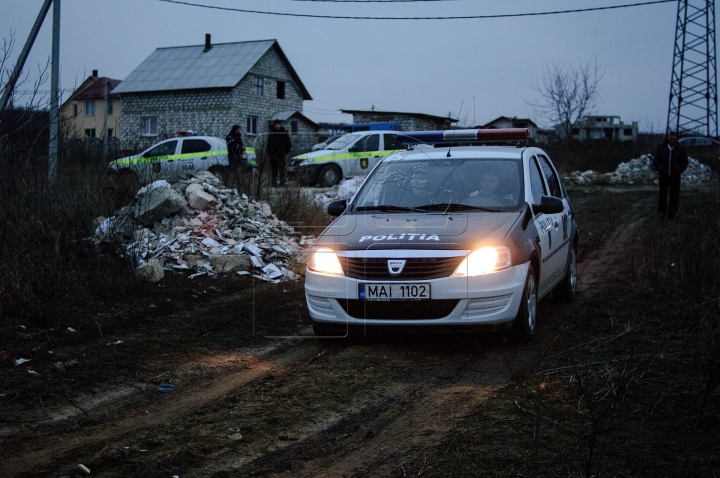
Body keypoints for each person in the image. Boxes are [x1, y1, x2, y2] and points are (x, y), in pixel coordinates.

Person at [653, 131, 688, 221]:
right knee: (662, 194)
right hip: (663, 175)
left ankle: (672, 215)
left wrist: (679, 170)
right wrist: (660, 168)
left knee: (674, 195)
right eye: (670, 138)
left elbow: (685, 162)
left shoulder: (680, 149)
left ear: (676, 138)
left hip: (675, 176)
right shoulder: (661, 148)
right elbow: (656, 161)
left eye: (674, 138)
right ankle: (661, 213)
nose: (672, 140)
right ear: (667, 138)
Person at [265, 119, 292, 186]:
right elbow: (268, 144)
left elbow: (289, 145)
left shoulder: (284, 133)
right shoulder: (272, 134)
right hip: (273, 156)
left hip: (281, 155)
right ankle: (274, 184)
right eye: (276, 124)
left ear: (280, 125)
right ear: (274, 125)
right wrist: (269, 153)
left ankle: (282, 183)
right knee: (274, 171)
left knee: (282, 170)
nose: (277, 126)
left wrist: (284, 152)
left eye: (278, 124)